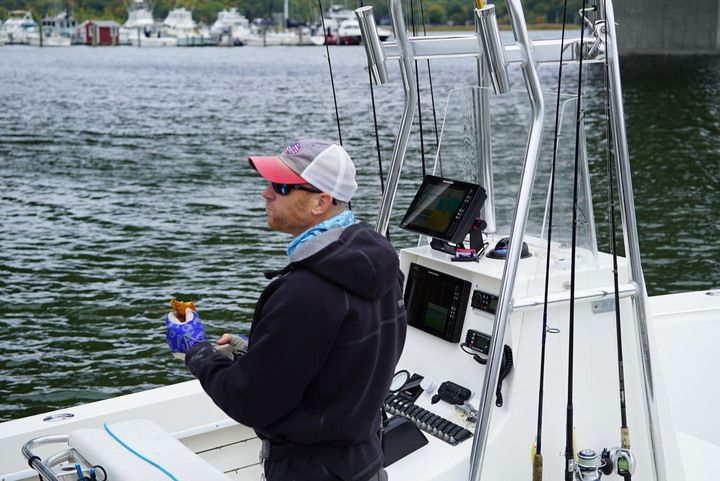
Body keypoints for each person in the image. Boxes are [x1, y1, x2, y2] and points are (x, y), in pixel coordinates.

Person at [165, 139, 407, 481]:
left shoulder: (303, 292)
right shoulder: (381, 263)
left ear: (321, 201)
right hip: (364, 460)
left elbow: (248, 402)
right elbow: (340, 363)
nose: (265, 194)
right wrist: (255, 352)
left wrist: (196, 351)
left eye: (280, 187)